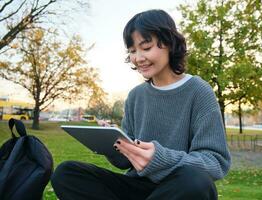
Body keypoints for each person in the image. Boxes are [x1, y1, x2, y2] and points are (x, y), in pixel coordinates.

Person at [51, 9, 231, 200]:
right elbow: (123, 163)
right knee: (66, 173)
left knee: (197, 182)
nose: (138, 58)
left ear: (170, 43)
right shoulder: (136, 96)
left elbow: (215, 162)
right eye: (132, 51)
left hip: (177, 188)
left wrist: (159, 158)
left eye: (146, 48)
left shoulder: (199, 91)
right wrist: (113, 144)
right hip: (136, 186)